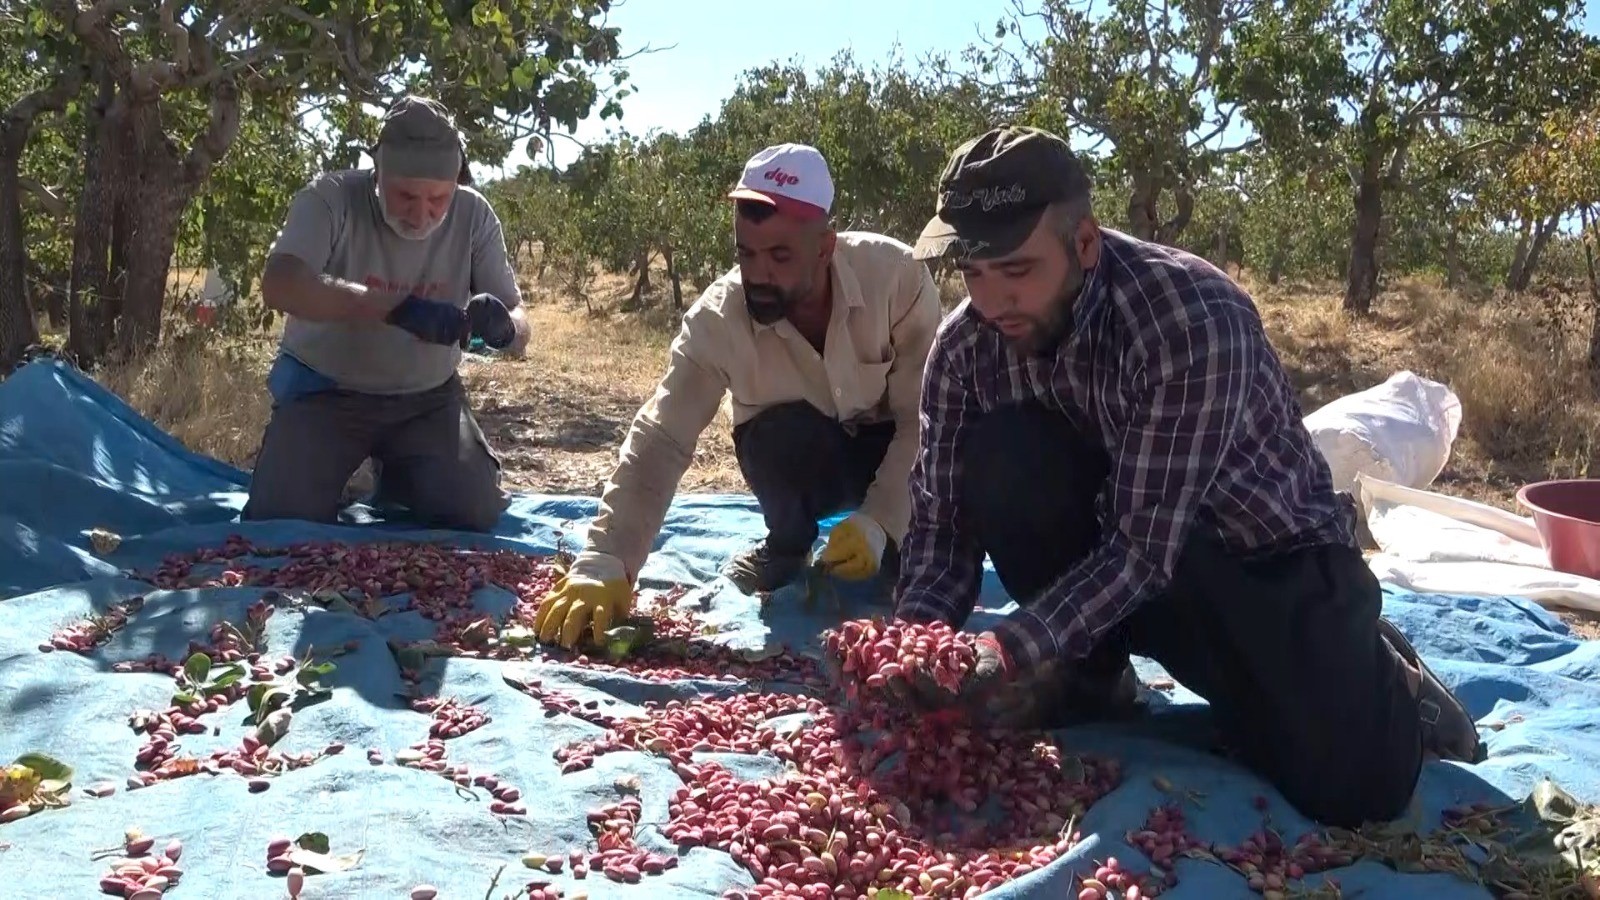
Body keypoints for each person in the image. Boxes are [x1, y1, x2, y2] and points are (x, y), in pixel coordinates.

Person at [888, 124, 1482, 828]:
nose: (992, 303)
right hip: (1121, 563)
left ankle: (1387, 679)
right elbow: (942, 522)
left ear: (1085, 244)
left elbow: (1146, 547)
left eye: (1018, 271)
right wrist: (912, 643)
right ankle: (1095, 675)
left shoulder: (1190, 318)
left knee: (1354, 791)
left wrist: (1006, 647)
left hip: (1253, 564)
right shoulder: (966, 347)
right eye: (974, 274)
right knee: (1006, 453)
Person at [534, 143, 943, 649]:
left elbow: (925, 422)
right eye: (746, 254)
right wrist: (606, 559)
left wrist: (881, 522)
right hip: (802, 457)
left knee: (917, 537)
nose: (759, 274)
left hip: (893, 458)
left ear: (824, 246)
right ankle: (786, 548)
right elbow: (662, 436)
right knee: (773, 433)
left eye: (779, 256)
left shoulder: (896, 279)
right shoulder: (718, 319)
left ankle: (894, 546)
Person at [242, 95, 529, 532]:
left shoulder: (475, 215)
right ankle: (333, 469)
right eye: (405, 195)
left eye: (438, 198)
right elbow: (280, 283)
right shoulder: (330, 198)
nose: (421, 214)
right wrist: (391, 308)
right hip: (327, 394)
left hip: (428, 401)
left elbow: (521, 322)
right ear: (377, 173)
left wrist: (505, 328)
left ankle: (400, 476)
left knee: (474, 511)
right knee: (280, 519)